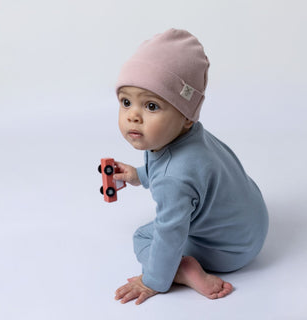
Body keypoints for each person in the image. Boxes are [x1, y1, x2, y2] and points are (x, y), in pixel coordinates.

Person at [112, 28, 268, 305]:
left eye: (151, 105)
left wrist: (152, 281)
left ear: (186, 116)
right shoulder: (190, 137)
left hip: (230, 250)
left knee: (144, 236)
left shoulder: (174, 178)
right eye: (126, 102)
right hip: (250, 226)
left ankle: (182, 270)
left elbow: (170, 234)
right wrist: (139, 175)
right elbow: (180, 174)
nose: (133, 116)